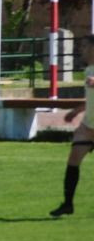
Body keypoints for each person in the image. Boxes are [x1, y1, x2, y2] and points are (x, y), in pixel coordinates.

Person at [50, 32, 94, 217]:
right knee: (73, 161)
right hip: (88, 126)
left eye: (84, 46)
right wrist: (76, 111)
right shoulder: (89, 70)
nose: (81, 50)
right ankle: (68, 204)